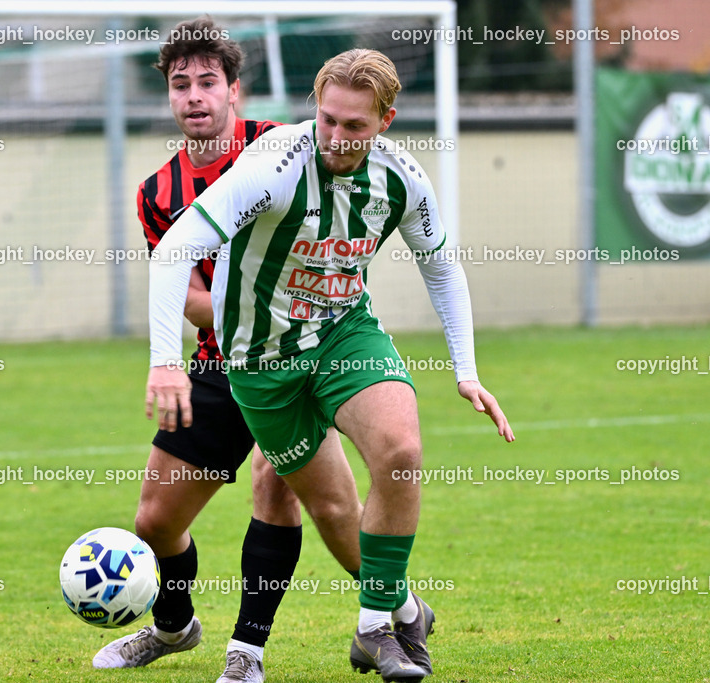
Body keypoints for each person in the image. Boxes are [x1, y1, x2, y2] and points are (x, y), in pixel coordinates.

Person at [146, 48, 515, 682]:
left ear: (386, 120)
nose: (338, 138)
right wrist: (166, 362)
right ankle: (404, 610)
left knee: (400, 451)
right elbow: (174, 250)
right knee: (333, 512)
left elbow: (441, 265)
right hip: (259, 361)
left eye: (355, 126)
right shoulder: (271, 166)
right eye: (328, 121)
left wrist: (467, 370)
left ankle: (375, 630)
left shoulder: (403, 177)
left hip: (346, 334)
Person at [93, 18, 365, 683]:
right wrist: (232, 318)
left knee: (277, 488)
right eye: (180, 85)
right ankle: (172, 623)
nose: (193, 96)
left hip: (299, 353)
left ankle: (248, 654)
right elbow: (183, 289)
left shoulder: (280, 148)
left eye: (207, 82)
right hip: (220, 360)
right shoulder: (157, 193)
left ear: (234, 91)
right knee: (155, 518)